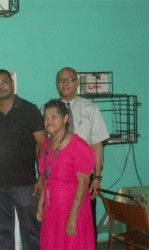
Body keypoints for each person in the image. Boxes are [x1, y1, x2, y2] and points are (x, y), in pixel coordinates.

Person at [0, 69, 46, 250]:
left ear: (12, 83)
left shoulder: (30, 110)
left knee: (32, 233)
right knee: (3, 233)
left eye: (4, 82)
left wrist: (41, 177)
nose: (0, 87)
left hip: (26, 185)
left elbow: (43, 145)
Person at [56, 67, 109, 243]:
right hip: (59, 180)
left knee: (85, 222)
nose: (65, 83)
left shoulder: (90, 108)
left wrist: (98, 177)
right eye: (61, 80)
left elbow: (97, 144)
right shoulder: (49, 110)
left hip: (84, 177)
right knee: (60, 223)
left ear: (77, 83)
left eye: (69, 79)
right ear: (57, 84)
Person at [36, 99, 95, 249]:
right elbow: (45, 178)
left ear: (66, 118)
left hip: (72, 209)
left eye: (54, 116)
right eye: (46, 117)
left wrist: (72, 217)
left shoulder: (79, 147)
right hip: (52, 210)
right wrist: (40, 204)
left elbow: (83, 184)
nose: (49, 121)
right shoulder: (46, 145)